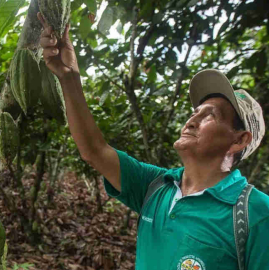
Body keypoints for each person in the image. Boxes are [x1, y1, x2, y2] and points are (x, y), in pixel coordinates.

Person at [37, 13, 269, 270]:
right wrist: (69, 78)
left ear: (239, 140)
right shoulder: (157, 186)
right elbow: (94, 150)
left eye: (210, 116)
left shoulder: (256, 214)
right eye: (195, 112)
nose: (191, 121)